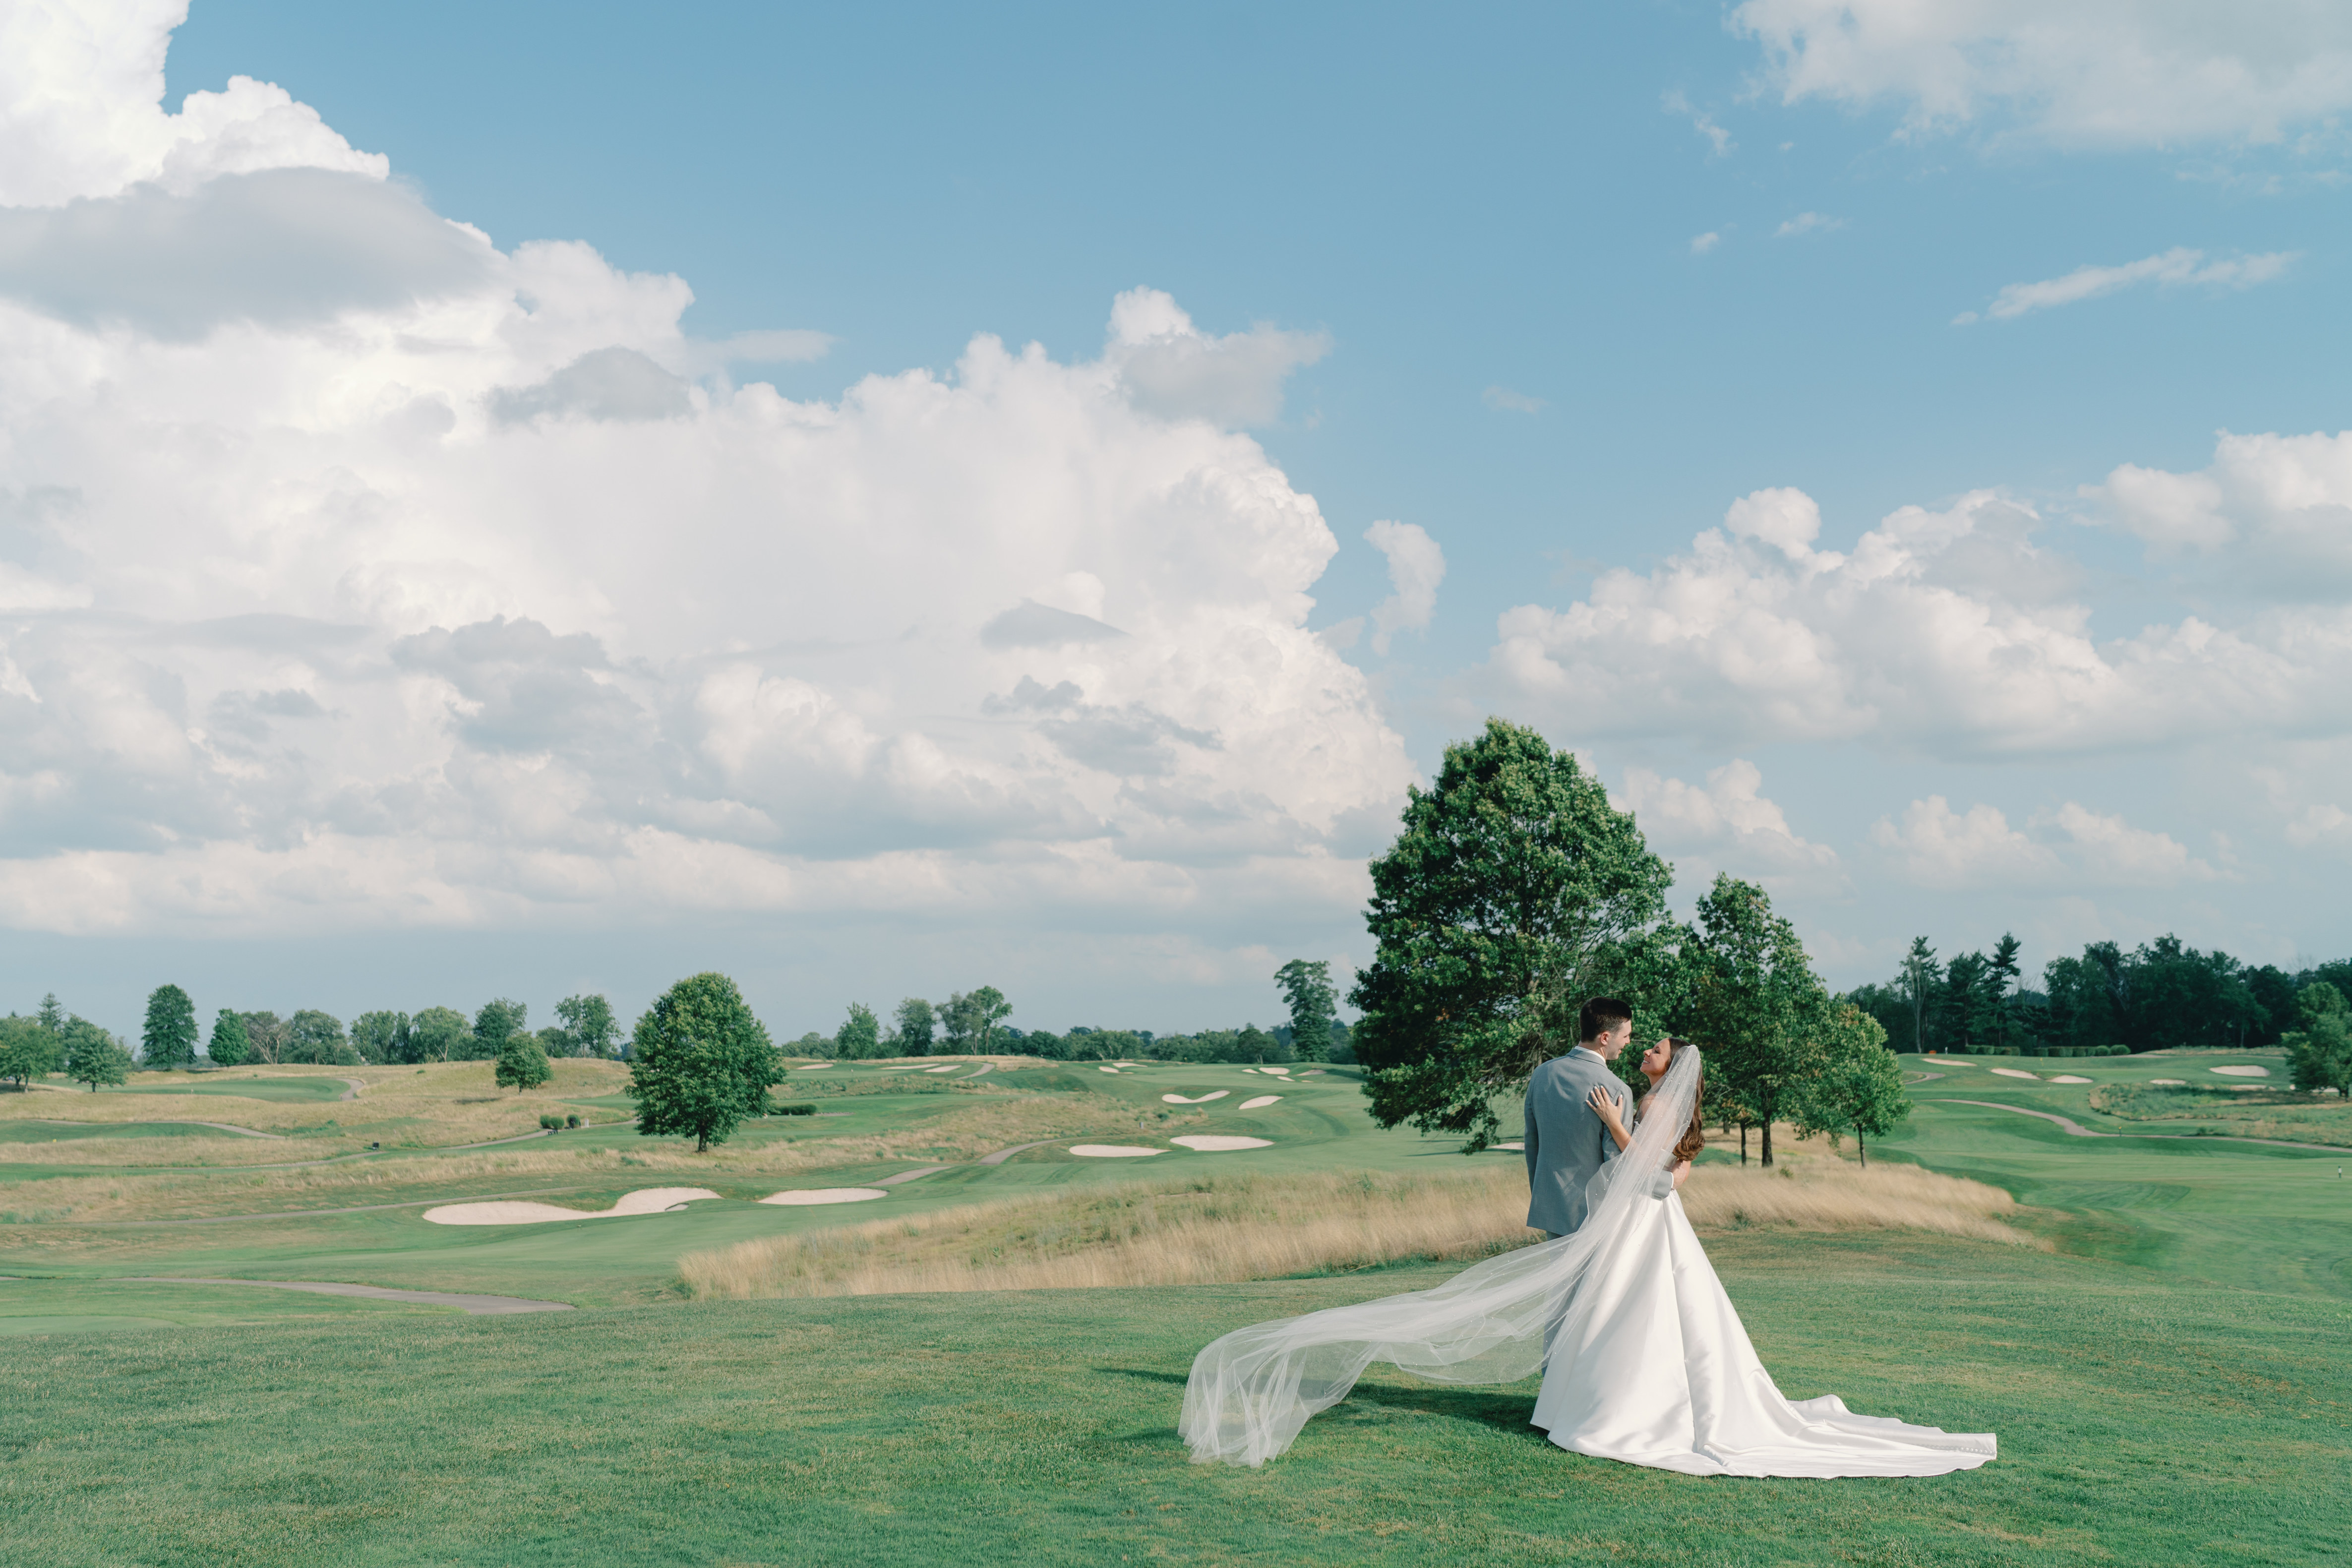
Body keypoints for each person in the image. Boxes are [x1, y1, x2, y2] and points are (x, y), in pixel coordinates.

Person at [1179, 1031, 1995, 1477]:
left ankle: (1611, 1412)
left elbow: (1660, 1182)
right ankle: (1580, 1405)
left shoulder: (1651, 1106)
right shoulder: (1647, 1096)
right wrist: (1616, 1125)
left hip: (1648, 1229)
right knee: (1618, 1319)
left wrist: (1613, 1125)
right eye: (1642, 1040)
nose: (1645, 1047)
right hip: (1629, 1230)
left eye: (1655, 1046)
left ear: (1669, 1066)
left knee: (1640, 1321)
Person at [1523, 997, 1632, 1238]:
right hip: (1597, 1216)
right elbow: (1616, 1163)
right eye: (1626, 1036)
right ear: (1605, 1038)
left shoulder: (1541, 1074)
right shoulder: (1616, 1089)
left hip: (1551, 1206)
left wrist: (1543, 1195)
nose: (1628, 1042)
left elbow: (1532, 1144)